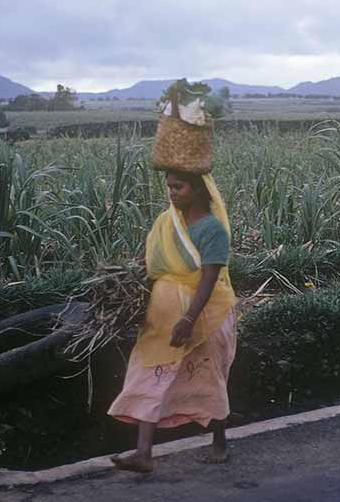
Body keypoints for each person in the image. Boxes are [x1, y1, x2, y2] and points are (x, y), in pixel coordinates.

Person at [108, 170, 237, 473]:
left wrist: (189, 318)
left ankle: (219, 441)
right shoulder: (167, 223)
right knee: (148, 374)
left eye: (178, 187)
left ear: (198, 189)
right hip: (162, 318)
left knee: (209, 376)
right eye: (169, 187)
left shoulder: (212, 230)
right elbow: (151, 262)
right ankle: (143, 454)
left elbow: (209, 277)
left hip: (205, 316)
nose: (172, 192)